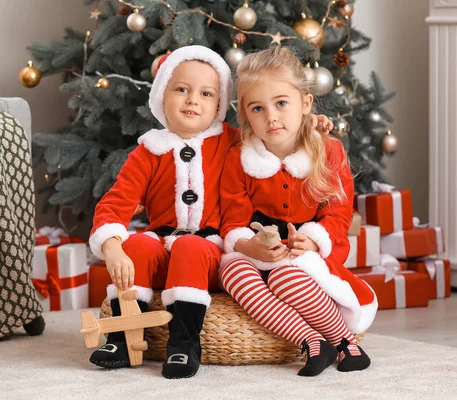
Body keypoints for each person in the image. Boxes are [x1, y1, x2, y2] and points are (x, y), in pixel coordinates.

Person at [87, 45, 333, 379]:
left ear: (219, 105)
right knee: (138, 244)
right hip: (163, 253)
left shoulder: (232, 141)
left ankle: (184, 343)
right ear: (161, 95)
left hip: (212, 255)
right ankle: (120, 338)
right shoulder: (148, 152)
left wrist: (310, 124)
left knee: (190, 246)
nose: (192, 100)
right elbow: (115, 203)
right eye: (182, 90)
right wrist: (112, 247)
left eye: (206, 93)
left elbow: (274, 135)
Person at [219, 47, 378, 377]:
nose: (271, 117)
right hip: (257, 249)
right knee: (230, 268)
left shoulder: (327, 150)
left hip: (305, 252)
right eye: (257, 108)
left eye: (281, 103)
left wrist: (313, 242)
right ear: (245, 115)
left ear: (305, 103)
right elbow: (233, 219)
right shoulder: (239, 157)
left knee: (285, 275)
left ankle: (345, 340)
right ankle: (312, 342)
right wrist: (248, 246)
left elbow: (338, 214)